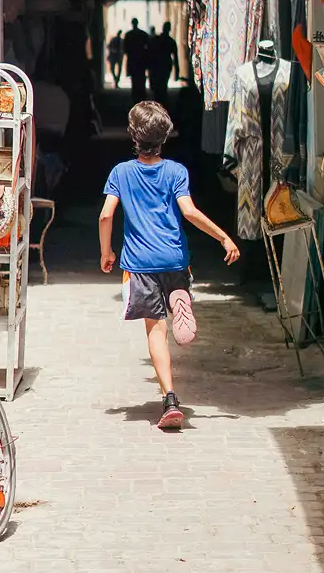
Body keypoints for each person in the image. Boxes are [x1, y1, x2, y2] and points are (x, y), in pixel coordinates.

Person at [98, 101, 240, 429]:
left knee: (156, 332)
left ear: (134, 136)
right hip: (176, 259)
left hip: (141, 264)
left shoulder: (121, 173)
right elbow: (189, 213)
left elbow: (106, 214)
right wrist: (223, 238)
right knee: (173, 295)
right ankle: (180, 297)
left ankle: (170, 400)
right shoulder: (176, 171)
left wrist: (107, 252)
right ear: (165, 136)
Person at [149, 21, 179, 108]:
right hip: (165, 65)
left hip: (157, 66)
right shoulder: (171, 41)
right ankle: (162, 103)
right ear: (169, 29)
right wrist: (177, 70)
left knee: (157, 86)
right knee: (163, 85)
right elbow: (175, 57)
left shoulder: (156, 40)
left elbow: (150, 53)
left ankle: (158, 103)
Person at [123, 19, 149, 103]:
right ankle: (141, 95)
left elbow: (125, 49)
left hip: (132, 60)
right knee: (141, 78)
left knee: (134, 79)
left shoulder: (128, 35)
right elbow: (149, 47)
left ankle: (135, 96)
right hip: (142, 59)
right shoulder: (143, 34)